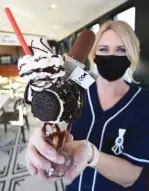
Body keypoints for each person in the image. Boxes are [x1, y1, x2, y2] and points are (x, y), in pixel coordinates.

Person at [26, 20, 149, 191]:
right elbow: (56, 119)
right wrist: (44, 140)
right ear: (94, 54)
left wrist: (92, 155)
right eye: (104, 49)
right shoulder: (77, 88)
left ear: (132, 55)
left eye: (121, 50)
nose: (111, 56)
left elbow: (132, 176)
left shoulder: (143, 101)